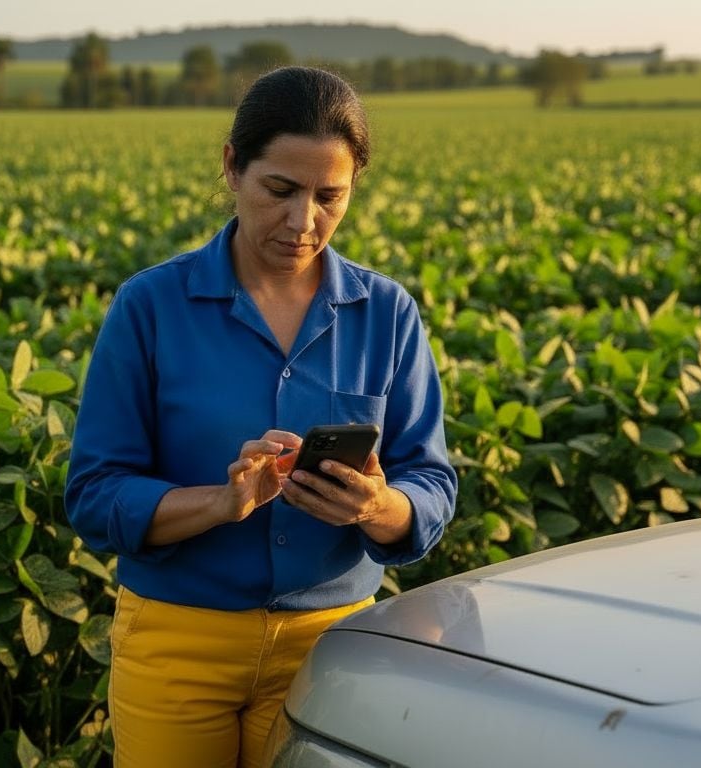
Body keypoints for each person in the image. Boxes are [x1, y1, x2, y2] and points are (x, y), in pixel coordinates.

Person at [64, 66, 457, 768]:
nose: (304, 221)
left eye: (330, 197)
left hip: (332, 644)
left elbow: (429, 486)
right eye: (280, 190)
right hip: (176, 643)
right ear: (233, 168)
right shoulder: (150, 307)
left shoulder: (387, 313)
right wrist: (221, 502)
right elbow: (95, 493)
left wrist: (375, 505)